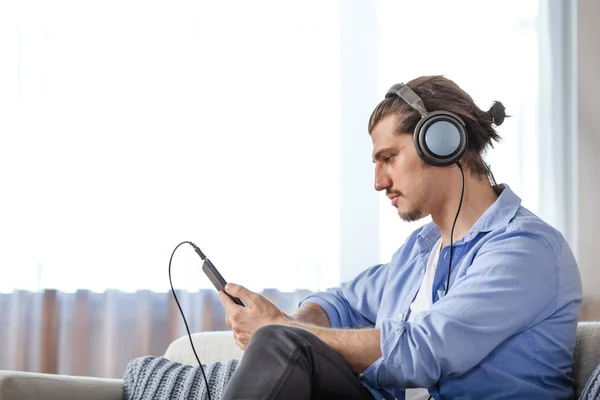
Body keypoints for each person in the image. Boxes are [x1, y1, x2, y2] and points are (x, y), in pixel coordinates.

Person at [216, 75, 583, 400]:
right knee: (281, 339)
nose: (379, 182)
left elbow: (421, 352)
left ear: (441, 141)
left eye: (388, 158)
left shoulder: (525, 249)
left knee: (279, 338)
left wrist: (282, 328)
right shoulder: (419, 251)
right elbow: (342, 302)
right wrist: (292, 321)